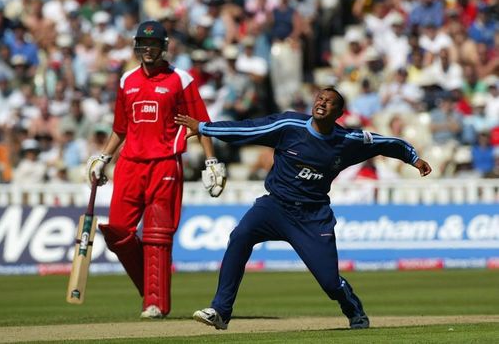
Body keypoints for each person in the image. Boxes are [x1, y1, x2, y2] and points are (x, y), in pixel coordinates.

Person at [174, 86, 432, 330]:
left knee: (331, 283)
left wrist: (414, 158)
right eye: (320, 98)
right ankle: (220, 311)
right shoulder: (289, 125)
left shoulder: (348, 140)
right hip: (274, 206)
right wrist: (205, 128)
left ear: (339, 113)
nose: (323, 103)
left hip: (312, 217)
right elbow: (247, 129)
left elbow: (387, 143)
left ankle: (354, 311)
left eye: (330, 102)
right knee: (240, 236)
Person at [86, 20, 227, 319]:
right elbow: (120, 128)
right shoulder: (127, 80)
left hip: (165, 162)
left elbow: (201, 124)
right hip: (129, 165)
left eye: (153, 44)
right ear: (137, 47)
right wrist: (103, 157)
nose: (147, 49)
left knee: (157, 236)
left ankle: (155, 303)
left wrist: (211, 161)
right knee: (118, 233)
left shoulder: (181, 80)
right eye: (142, 44)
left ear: (163, 47)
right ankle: (151, 289)